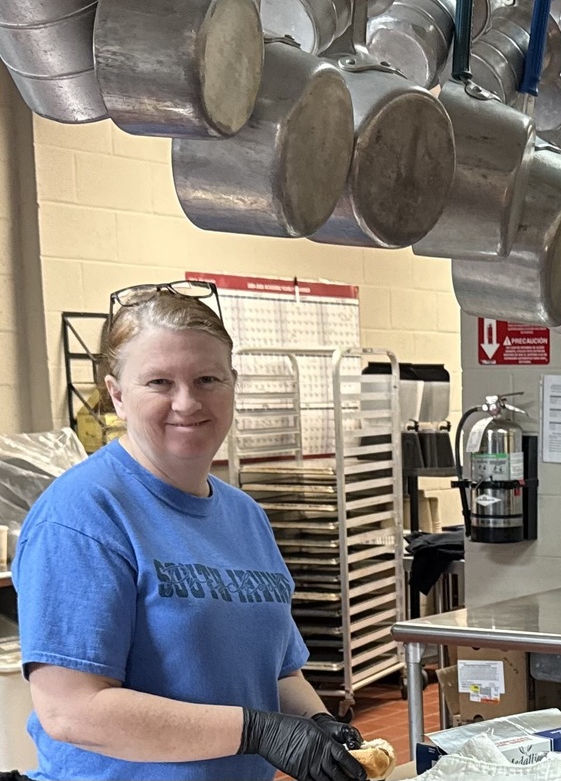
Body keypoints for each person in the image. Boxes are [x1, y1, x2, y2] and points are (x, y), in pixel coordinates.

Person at [10, 281, 369, 781]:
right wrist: (258, 732)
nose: (187, 402)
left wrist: (317, 721)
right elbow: (72, 712)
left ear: (232, 385)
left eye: (207, 379)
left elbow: (280, 671)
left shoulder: (244, 516)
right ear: (117, 395)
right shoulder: (82, 516)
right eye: (159, 382)